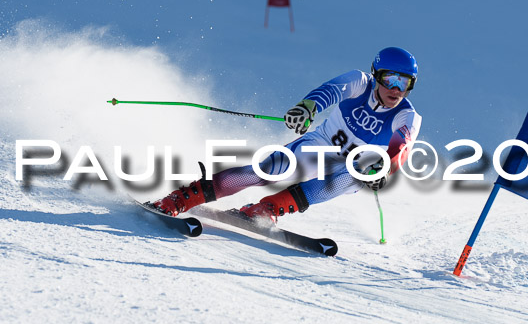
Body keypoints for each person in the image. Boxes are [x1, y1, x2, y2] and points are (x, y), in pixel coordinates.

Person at [151, 46, 423, 222]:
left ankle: (265, 210)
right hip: (322, 144)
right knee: (268, 171)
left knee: (349, 178)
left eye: (405, 82)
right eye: (390, 79)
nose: (396, 89)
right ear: (377, 75)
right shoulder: (359, 82)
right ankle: (184, 198)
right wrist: (308, 107)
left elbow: (401, 148)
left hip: (354, 165)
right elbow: (330, 91)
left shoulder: (407, 116)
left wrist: (383, 170)